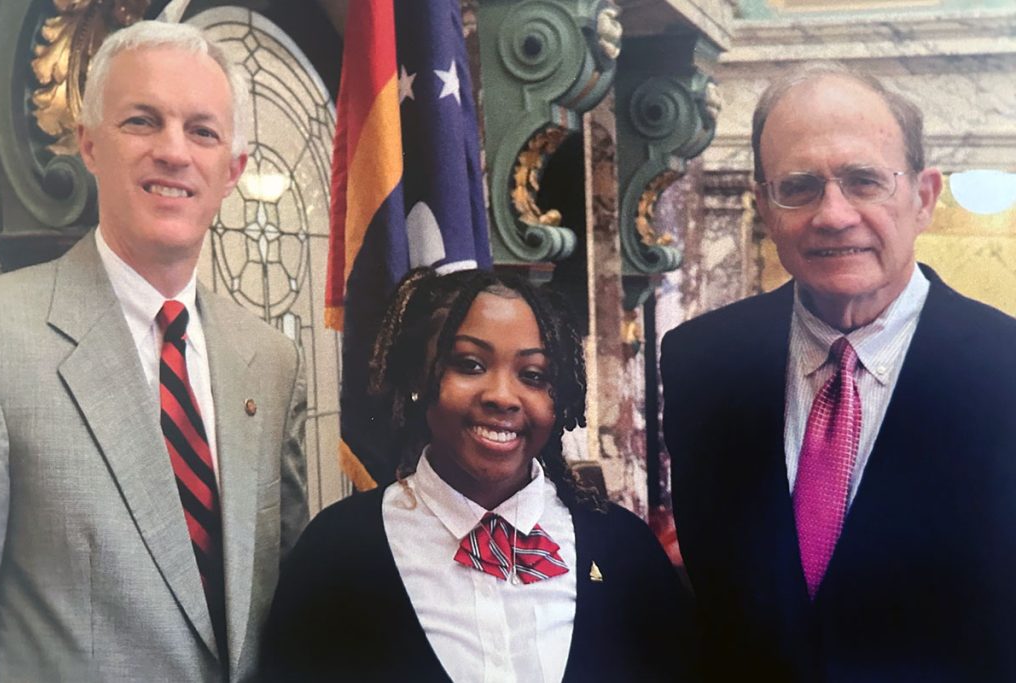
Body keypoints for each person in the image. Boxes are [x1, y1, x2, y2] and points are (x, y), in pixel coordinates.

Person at [661, 61, 1016, 682]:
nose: (832, 214)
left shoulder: (1005, 367)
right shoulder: (701, 361)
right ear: (764, 207)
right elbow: (722, 603)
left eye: (863, 181)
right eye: (798, 186)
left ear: (923, 197)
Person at [0, 21, 308, 682]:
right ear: (89, 143)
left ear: (233, 170)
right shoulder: (2, 335)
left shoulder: (271, 362)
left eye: (202, 131)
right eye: (142, 121)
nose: (173, 151)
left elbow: (282, 608)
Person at [262, 268, 696, 682]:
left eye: (532, 375)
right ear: (419, 377)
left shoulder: (625, 551)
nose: (502, 397)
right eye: (470, 365)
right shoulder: (337, 553)